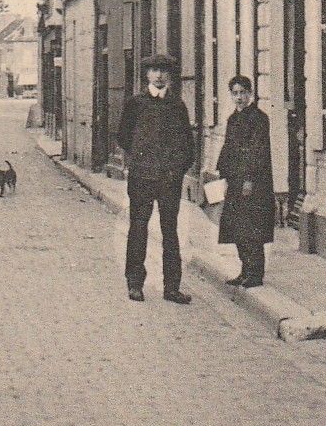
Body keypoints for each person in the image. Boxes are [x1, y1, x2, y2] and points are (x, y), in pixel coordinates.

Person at [116, 54, 195, 304]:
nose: (159, 75)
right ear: (147, 75)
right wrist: (142, 158)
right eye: (154, 70)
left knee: (170, 231)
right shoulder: (135, 104)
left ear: (169, 75)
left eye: (163, 71)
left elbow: (187, 144)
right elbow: (123, 137)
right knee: (138, 228)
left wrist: (176, 169)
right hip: (142, 177)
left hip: (169, 179)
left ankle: (172, 287)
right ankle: (135, 284)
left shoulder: (177, 106)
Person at [211, 75, 275, 288]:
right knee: (237, 227)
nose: (239, 97)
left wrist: (249, 179)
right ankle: (245, 270)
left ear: (250, 94)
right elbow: (228, 148)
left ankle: (255, 273)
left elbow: (258, 152)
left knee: (252, 228)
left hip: (253, 182)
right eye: (235, 93)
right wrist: (223, 176)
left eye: (242, 93)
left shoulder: (259, 118)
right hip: (235, 180)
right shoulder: (233, 119)